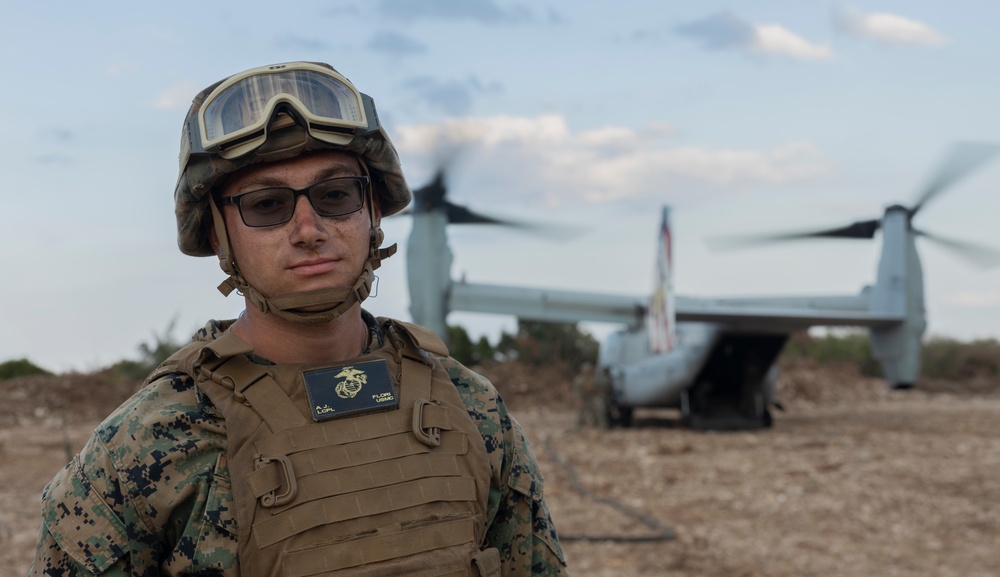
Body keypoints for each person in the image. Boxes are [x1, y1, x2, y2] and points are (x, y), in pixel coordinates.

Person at [30, 62, 567, 577]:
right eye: (267, 205)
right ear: (219, 233)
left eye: (336, 196)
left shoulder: (471, 408)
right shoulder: (148, 444)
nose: (308, 229)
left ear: (373, 211)